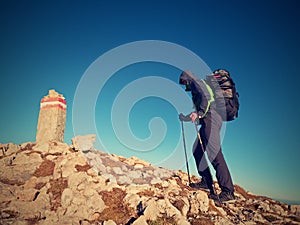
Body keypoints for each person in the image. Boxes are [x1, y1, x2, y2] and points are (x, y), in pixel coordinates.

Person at [179, 70, 235, 203]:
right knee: (197, 150)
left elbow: (207, 99)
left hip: (212, 119)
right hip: (208, 120)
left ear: (186, 78)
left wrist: (199, 113)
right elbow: (201, 108)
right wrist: (186, 118)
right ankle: (206, 181)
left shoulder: (196, 82)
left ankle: (228, 192)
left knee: (214, 153)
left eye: (184, 82)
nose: (184, 85)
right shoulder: (194, 87)